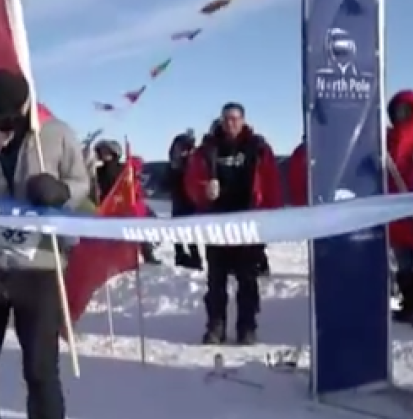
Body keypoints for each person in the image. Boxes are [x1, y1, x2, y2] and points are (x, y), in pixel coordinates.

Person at [0, 68, 90, 419]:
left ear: (23, 112)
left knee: (40, 371)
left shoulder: (55, 134)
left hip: (40, 268)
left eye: (6, 124)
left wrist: (62, 192)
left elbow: (82, 183)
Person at [184, 103, 282, 345]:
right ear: (221, 120)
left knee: (247, 279)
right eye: (227, 119)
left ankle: (246, 326)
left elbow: (271, 183)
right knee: (216, 279)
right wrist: (203, 190)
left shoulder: (258, 148)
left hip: (249, 223)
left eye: (235, 119)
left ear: (243, 120)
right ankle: (215, 325)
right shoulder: (208, 149)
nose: (231, 124)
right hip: (217, 224)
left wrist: (271, 217)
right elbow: (190, 181)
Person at [384, 90, 413, 325]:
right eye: (396, 111)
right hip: (398, 217)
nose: (400, 116)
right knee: (404, 264)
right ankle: (410, 305)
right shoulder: (387, 141)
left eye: (405, 111)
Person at [92, 139, 161, 264]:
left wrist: (134, 166)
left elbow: (135, 180)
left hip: (125, 204)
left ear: (114, 152)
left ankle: (147, 252)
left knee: (140, 227)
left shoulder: (124, 168)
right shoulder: (98, 171)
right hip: (108, 206)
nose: (104, 154)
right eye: (102, 151)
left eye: (106, 151)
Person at [166, 129, 203, 270]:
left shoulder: (193, 164)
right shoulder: (173, 165)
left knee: (191, 232)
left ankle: (195, 258)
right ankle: (180, 256)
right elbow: (167, 183)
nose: (182, 152)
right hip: (177, 201)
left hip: (191, 202)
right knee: (177, 232)